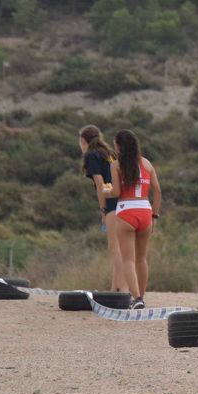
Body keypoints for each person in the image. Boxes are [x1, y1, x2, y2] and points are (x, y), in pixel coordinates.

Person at [106, 130, 162, 310]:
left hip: (126, 212)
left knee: (127, 260)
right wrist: (155, 214)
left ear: (119, 146)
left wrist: (105, 191)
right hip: (146, 211)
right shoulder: (147, 163)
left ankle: (136, 297)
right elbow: (158, 191)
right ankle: (141, 297)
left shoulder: (116, 165)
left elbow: (116, 192)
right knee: (141, 258)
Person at [78, 125, 123, 292]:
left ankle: (120, 290)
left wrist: (103, 210)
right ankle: (116, 288)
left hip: (112, 202)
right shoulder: (109, 154)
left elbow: (100, 184)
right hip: (124, 200)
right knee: (120, 246)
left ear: (83, 141)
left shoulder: (92, 155)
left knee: (114, 247)